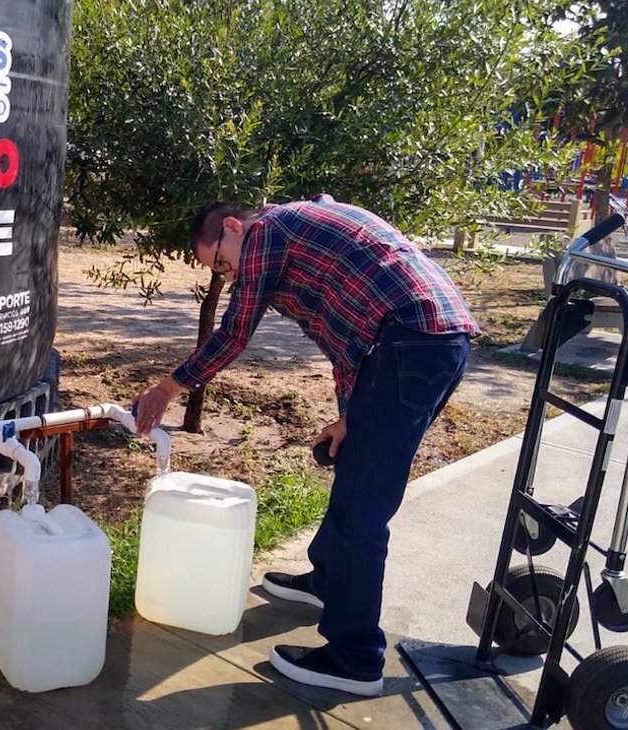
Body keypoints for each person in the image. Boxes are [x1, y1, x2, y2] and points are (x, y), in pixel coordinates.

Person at [132, 194, 478, 697]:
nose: (230, 278)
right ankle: (328, 580)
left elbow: (234, 334)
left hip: (411, 342)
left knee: (363, 509)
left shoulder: (267, 232)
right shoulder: (305, 232)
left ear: (234, 226)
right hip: (422, 341)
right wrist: (347, 416)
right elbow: (346, 338)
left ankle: (354, 658)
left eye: (224, 264)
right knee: (354, 470)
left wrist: (166, 389)